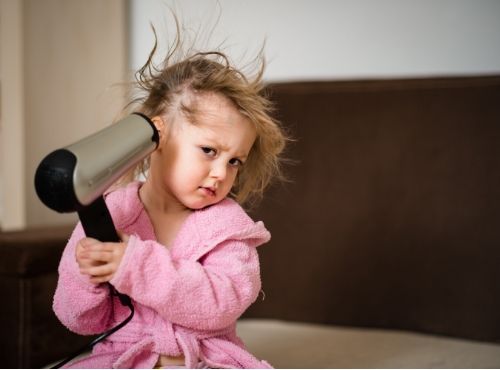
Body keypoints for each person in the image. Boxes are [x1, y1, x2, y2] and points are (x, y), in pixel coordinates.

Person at [52, 22, 287, 369]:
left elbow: (222, 303)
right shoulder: (112, 212)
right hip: (125, 358)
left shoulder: (229, 227)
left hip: (207, 358)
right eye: (209, 150)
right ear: (156, 136)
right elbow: (81, 320)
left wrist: (135, 266)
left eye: (235, 160)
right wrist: (86, 275)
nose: (222, 173)